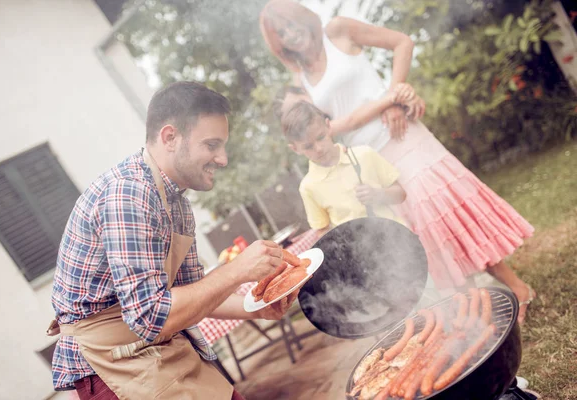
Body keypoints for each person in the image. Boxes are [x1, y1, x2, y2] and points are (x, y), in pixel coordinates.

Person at [260, 0, 536, 323]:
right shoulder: (299, 84)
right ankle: (477, 310)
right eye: (283, 33)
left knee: (444, 216)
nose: (293, 34)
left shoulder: (338, 31)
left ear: (305, 18)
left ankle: (519, 289)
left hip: (403, 137)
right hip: (366, 163)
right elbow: (327, 129)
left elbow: (402, 42)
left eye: (293, 24)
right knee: (425, 237)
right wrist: (386, 101)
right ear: (278, 43)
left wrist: (396, 96)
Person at [47, 82, 296, 400]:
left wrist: (258, 307)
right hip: (111, 369)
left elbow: (197, 293)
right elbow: (150, 316)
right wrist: (238, 270)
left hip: (158, 350)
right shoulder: (129, 194)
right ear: (170, 137)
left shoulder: (177, 203)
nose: (223, 159)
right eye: (211, 145)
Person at [281, 100, 409, 235]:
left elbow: (401, 194)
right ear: (295, 149)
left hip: (395, 237)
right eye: (308, 146)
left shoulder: (364, 154)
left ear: (328, 126)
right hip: (359, 251)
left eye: (321, 137)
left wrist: (379, 194)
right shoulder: (308, 187)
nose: (318, 148)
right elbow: (321, 230)